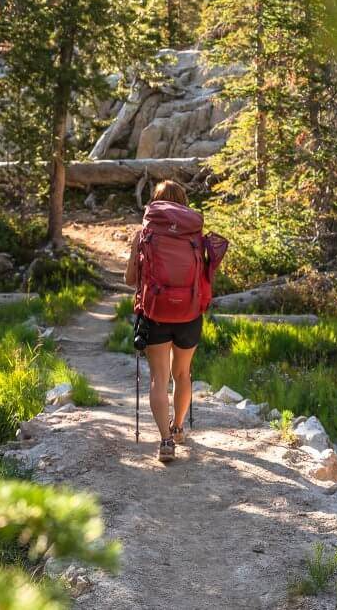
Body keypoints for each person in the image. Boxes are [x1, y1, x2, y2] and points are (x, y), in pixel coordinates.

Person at [124, 180, 204, 463]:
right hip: (189, 315)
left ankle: (166, 442)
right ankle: (179, 427)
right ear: (183, 203)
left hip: (155, 313)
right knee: (182, 374)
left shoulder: (144, 233)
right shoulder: (195, 234)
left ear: (155, 203)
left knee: (159, 378)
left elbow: (130, 279)